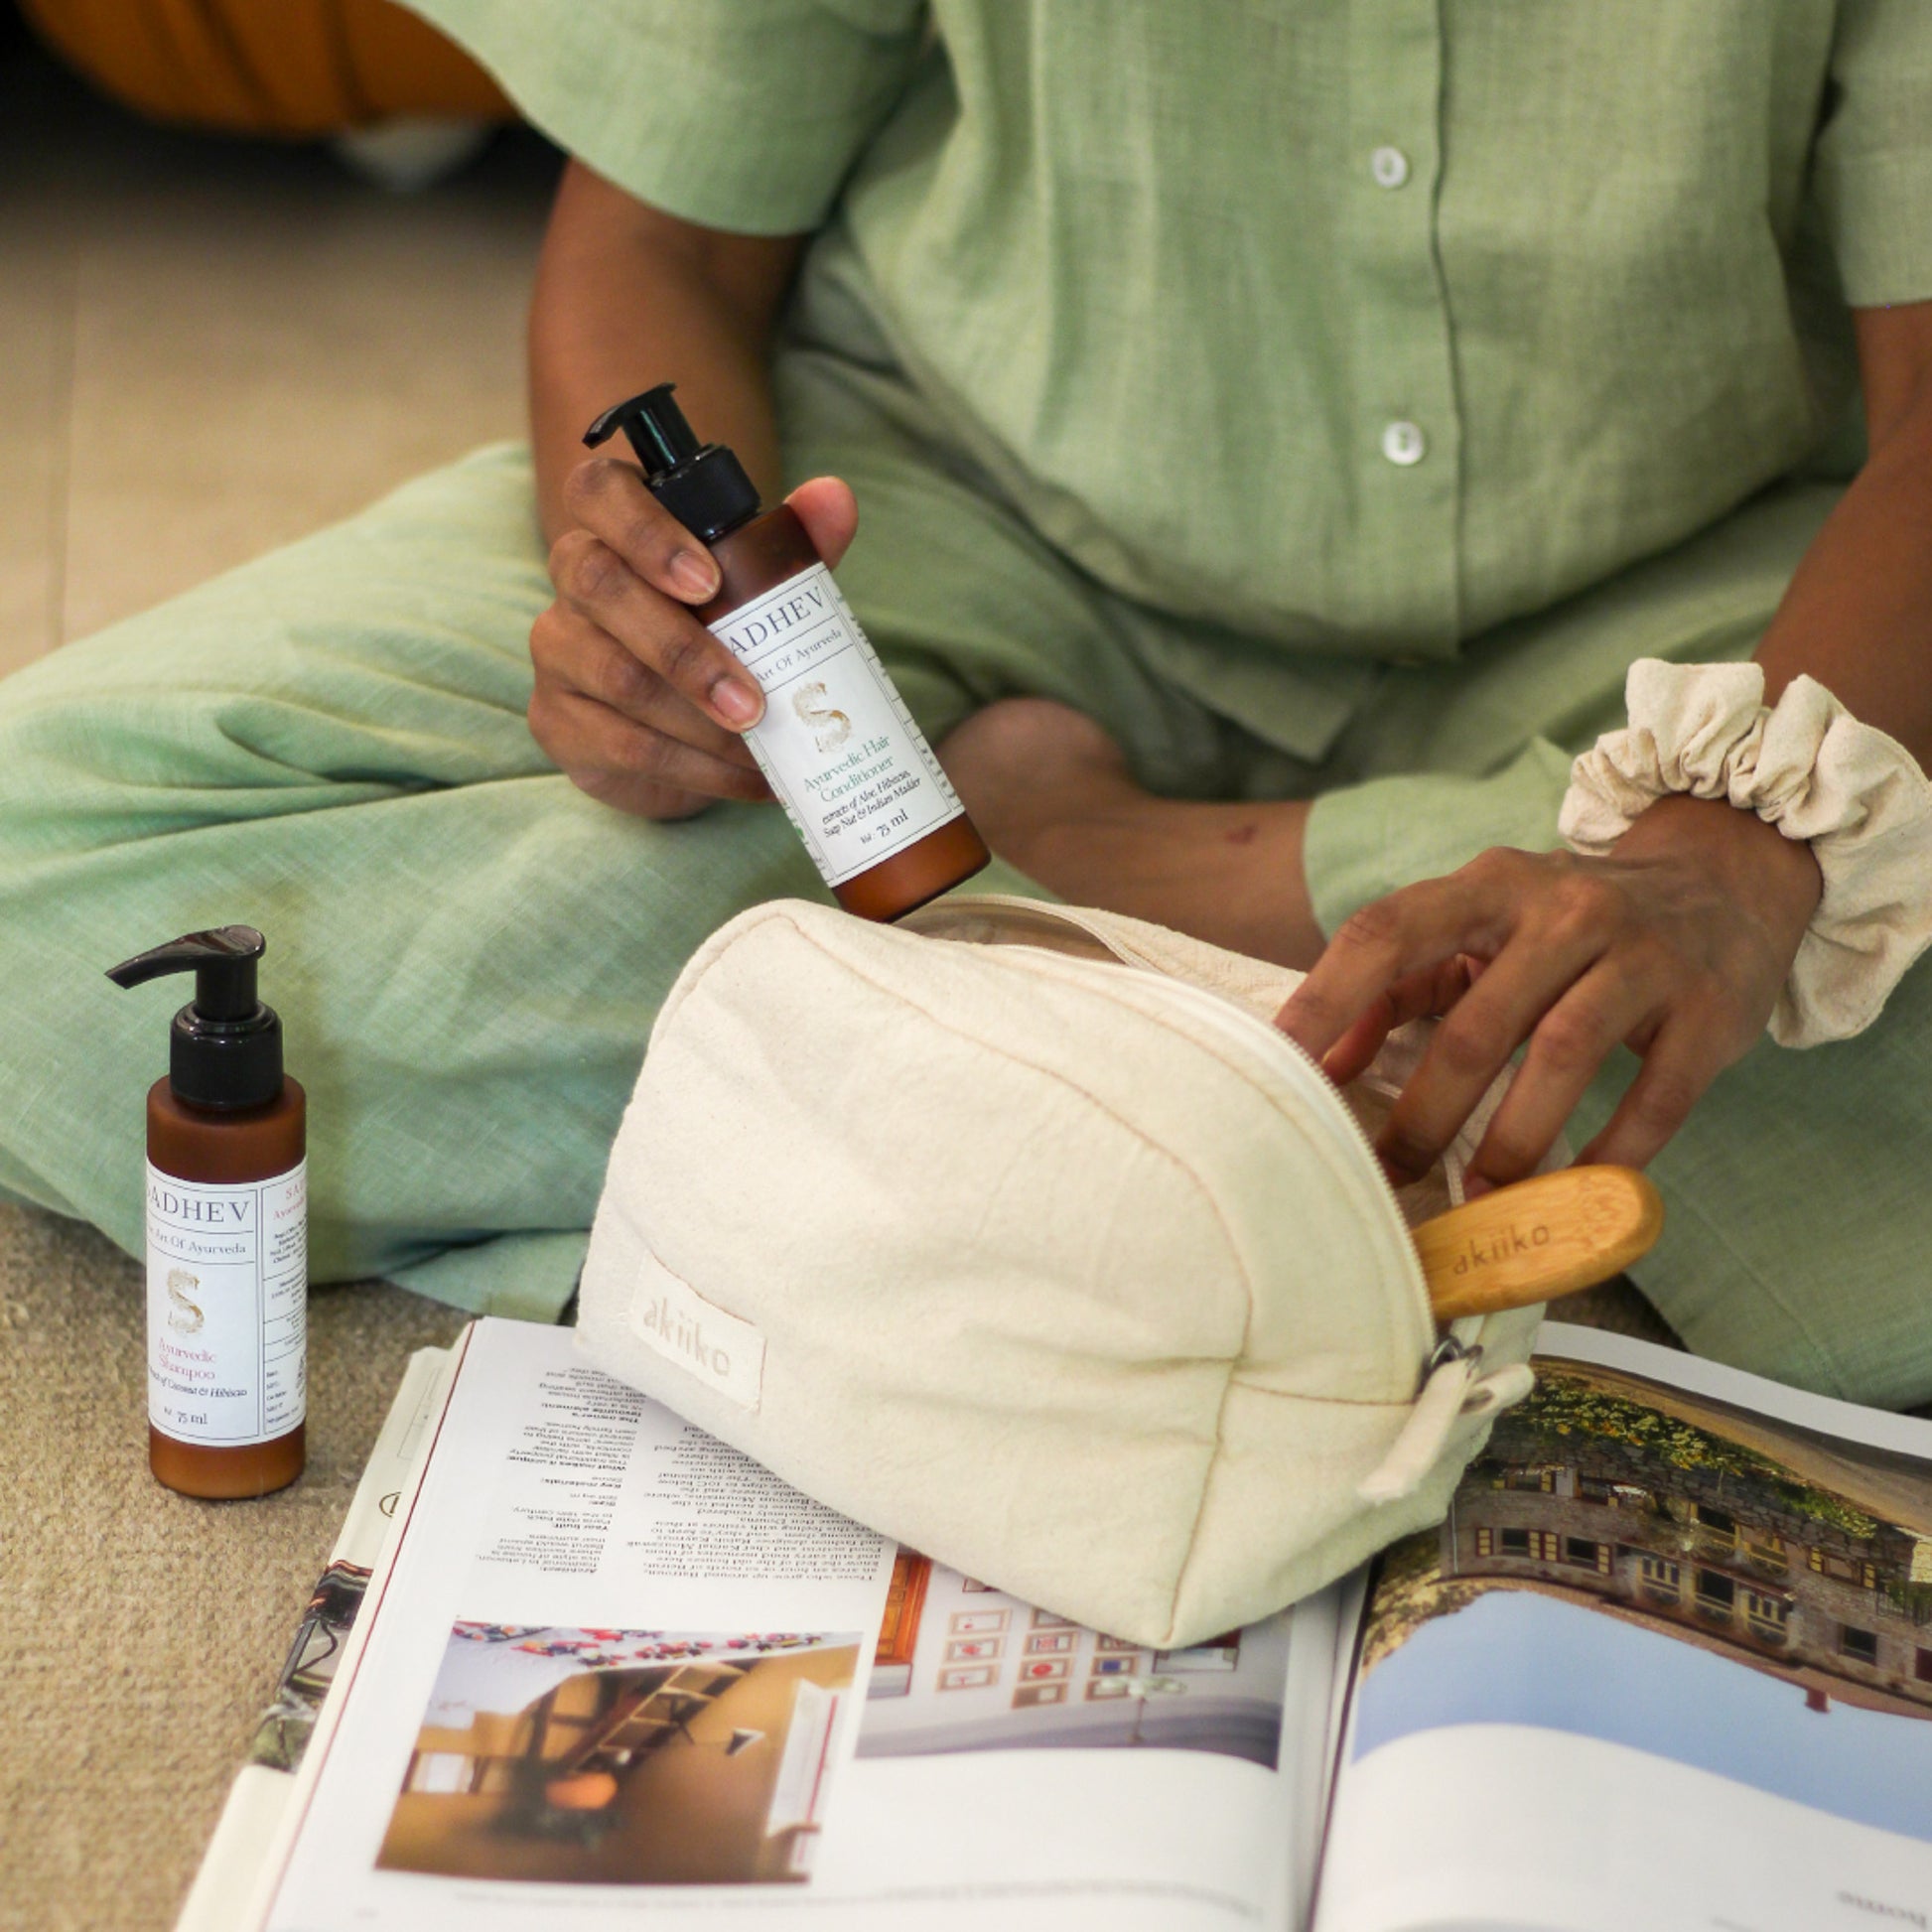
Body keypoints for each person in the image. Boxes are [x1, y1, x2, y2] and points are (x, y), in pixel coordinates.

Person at [1, 5, 1928, 1403]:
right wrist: (647, 591)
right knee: (48, 875)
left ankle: (1067, 950)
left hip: (1690, 633)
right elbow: (664, 240)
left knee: (1790, 915)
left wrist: (1735, 846)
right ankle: (1374, 1115)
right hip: (960, 516)